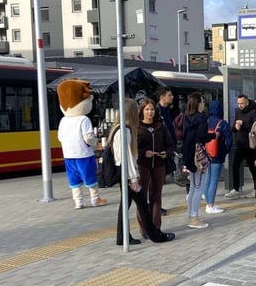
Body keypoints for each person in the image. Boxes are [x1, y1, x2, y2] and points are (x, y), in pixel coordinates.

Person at [112, 98, 174, 245]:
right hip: (129, 174)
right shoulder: (125, 131)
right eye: (142, 109)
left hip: (128, 172)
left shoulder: (120, 128)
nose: (148, 112)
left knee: (129, 204)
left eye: (151, 109)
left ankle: (124, 236)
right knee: (142, 205)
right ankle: (154, 235)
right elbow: (128, 157)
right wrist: (134, 178)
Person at [55, 79, 107, 209]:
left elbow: (60, 137)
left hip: (68, 155)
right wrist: (97, 144)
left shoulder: (63, 120)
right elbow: (88, 137)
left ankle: (78, 202)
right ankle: (95, 199)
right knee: (90, 177)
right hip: (83, 154)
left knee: (74, 180)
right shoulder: (83, 119)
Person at [135, 98, 175, 241]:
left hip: (159, 165)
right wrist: (143, 153)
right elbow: (133, 148)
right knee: (142, 197)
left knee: (156, 196)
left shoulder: (161, 127)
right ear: (142, 111)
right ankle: (144, 228)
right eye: (147, 109)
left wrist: (166, 153)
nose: (150, 112)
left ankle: (156, 226)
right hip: (143, 165)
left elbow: (170, 145)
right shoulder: (137, 127)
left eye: (152, 109)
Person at [181, 92, 215, 229]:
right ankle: (193, 217)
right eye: (202, 101)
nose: (204, 103)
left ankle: (191, 215)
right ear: (198, 103)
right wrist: (213, 135)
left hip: (188, 155)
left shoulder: (186, 117)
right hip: (198, 156)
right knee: (198, 187)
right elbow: (203, 136)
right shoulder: (201, 118)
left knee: (193, 188)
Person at [226, 94, 256, 199]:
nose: (240, 105)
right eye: (238, 103)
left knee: (253, 167)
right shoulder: (237, 111)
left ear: (247, 102)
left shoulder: (253, 112)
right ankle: (236, 188)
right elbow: (234, 128)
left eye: (242, 103)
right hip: (239, 144)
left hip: (249, 145)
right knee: (235, 166)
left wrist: (243, 125)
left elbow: (254, 128)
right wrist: (235, 127)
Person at [204, 100, 231, 214]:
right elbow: (229, 140)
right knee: (214, 180)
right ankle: (211, 205)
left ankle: (207, 203)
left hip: (206, 154)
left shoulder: (206, 121)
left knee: (208, 179)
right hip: (217, 155)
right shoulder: (222, 123)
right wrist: (225, 152)